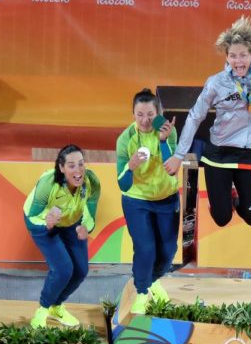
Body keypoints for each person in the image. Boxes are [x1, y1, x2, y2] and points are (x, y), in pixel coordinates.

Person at [164, 16, 251, 228]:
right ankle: (222, 204)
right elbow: (196, 117)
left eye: (243, 55)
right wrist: (178, 155)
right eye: (233, 56)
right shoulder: (216, 82)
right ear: (227, 57)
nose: (238, 61)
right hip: (219, 155)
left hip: (249, 153)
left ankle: (234, 197)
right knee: (222, 219)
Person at [116, 88, 180, 315]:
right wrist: (130, 167)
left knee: (168, 252)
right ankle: (142, 292)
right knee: (146, 248)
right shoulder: (125, 140)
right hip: (137, 200)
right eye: (140, 114)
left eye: (150, 114)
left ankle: (151, 281)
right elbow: (123, 184)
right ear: (133, 114)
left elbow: (171, 170)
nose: (145, 120)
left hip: (166, 198)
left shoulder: (168, 130)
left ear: (158, 112)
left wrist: (163, 141)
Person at [24, 144, 101, 328]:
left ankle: (56, 306)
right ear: (61, 167)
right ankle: (42, 311)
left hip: (71, 222)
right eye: (72, 166)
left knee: (81, 270)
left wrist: (86, 228)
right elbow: (32, 215)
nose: (78, 171)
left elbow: (90, 212)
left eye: (81, 164)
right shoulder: (48, 184)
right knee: (63, 269)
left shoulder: (91, 182)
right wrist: (47, 224)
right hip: (41, 223)